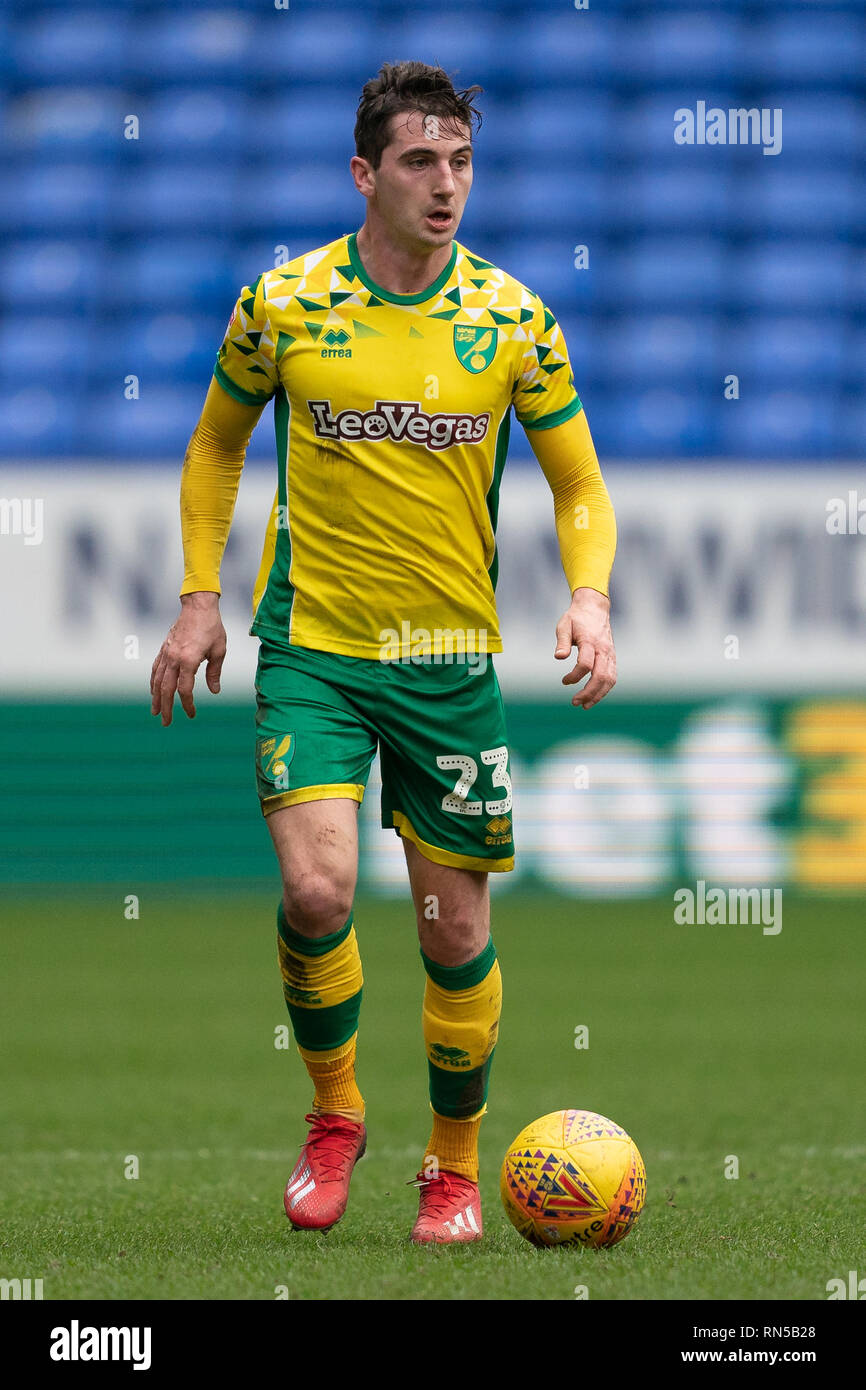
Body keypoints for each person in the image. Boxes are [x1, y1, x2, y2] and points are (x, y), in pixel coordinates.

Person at [150, 60, 617, 1244]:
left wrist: (591, 597)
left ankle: (452, 1171)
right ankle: (335, 1113)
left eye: (460, 161)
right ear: (366, 173)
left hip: (449, 662)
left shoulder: (513, 319)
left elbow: (576, 480)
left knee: (452, 932)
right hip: (313, 646)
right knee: (316, 887)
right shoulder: (285, 302)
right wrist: (200, 600)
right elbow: (214, 448)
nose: (445, 183)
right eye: (420, 161)